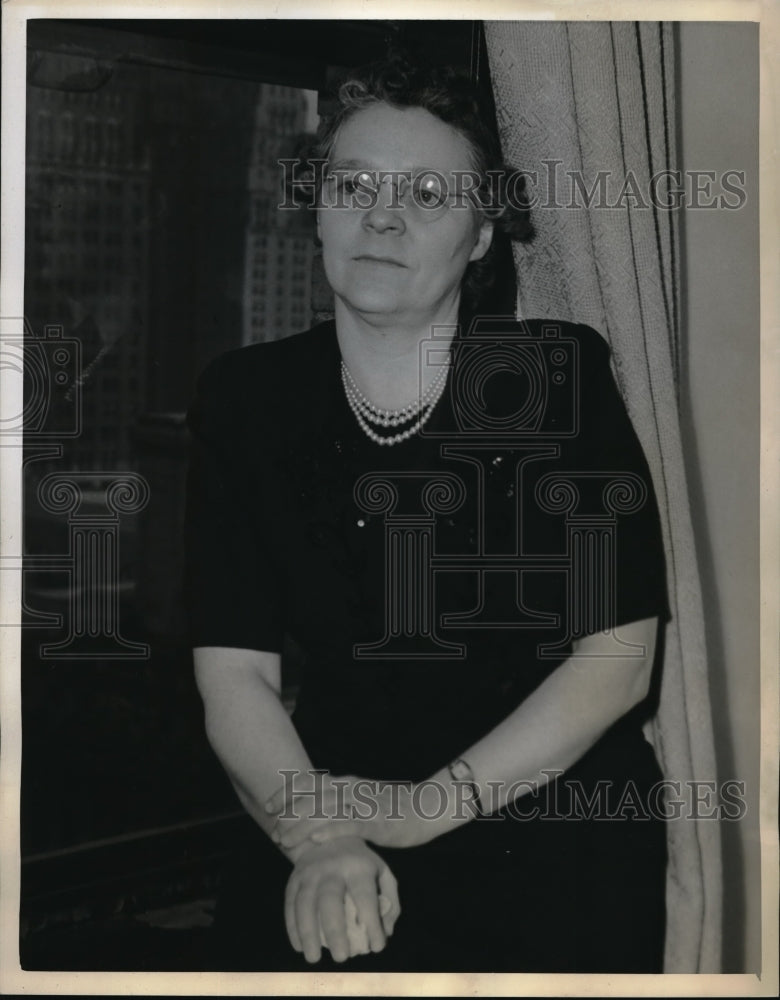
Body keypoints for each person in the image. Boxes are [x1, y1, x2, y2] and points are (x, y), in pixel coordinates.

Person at [184, 56, 671, 973]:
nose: (383, 214)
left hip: (541, 809)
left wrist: (421, 810)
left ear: (484, 231)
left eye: (429, 192)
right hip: (325, 801)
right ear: (319, 205)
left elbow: (618, 659)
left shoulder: (552, 378)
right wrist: (313, 838)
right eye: (355, 183)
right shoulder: (247, 399)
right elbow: (234, 677)